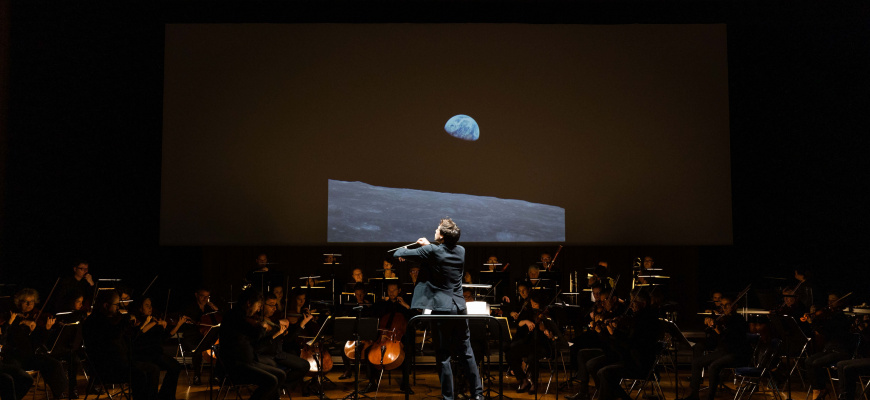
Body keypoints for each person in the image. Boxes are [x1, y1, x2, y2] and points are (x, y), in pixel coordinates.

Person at [393, 218, 483, 400]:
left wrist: (414, 248)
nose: (435, 230)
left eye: (437, 229)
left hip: (442, 309)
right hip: (459, 307)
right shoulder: (461, 251)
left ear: (441, 236)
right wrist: (428, 246)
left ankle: (448, 398)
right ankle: (478, 395)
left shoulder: (431, 250)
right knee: (467, 352)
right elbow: (439, 256)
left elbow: (397, 253)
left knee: (443, 356)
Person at [82, 290, 160, 400]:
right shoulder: (94, 322)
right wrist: (124, 321)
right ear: (106, 305)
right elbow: (112, 336)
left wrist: (135, 328)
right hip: (107, 368)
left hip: (120, 363)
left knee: (154, 369)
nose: (119, 308)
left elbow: (127, 339)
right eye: (117, 305)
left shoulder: (110, 319)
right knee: (141, 374)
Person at [678, 295, 752, 400]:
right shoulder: (724, 319)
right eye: (722, 305)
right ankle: (693, 395)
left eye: (727, 305)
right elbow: (717, 339)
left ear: (735, 306)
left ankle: (710, 397)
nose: (724, 308)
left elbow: (730, 340)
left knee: (713, 366)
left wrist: (718, 330)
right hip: (724, 351)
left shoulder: (739, 320)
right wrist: (712, 326)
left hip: (736, 353)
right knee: (696, 362)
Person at [218, 289, 286, 400]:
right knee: (271, 381)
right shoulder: (234, 317)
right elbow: (255, 335)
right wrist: (262, 326)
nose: (259, 309)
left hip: (248, 361)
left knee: (281, 374)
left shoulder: (242, 316)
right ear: (249, 303)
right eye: (259, 305)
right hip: (237, 366)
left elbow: (254, 339)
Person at [3, 288, 68, 400]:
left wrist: (46, 329)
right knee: (16, 376)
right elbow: (6, 336)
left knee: (54, 364)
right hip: (14, 358)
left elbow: (38, 342)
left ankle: (59, 394)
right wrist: (20, 323)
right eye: (25, 302)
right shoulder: (11, 317)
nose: (29, 305)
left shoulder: (35, 317)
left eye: (32, 302)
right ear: (19, 302)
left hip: (30, 357)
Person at [132, 298, 187, 400]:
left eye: (151, 305)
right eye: (147, 305)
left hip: (156, 353)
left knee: (176, 366)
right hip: (145, 354)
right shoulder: (138, 321)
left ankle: (166, 395)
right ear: (140, 308)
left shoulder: (153, 320)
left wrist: (179, 324)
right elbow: (139, 333)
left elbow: (166, 336)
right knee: (171, 366)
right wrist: (155, 323)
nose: (150, 307)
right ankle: (162, 396)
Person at [254, 293, 309, 392]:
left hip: (278, 354)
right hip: (265, 356)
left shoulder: (274, 319)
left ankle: (279, 386)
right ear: (261, 305)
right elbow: (259, 347)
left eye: (275, 305)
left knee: (304, 365)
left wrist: (302, 324)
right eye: (271, 305)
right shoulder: (257, 322)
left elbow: (288, 340)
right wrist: (276, 330)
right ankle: (275, 386)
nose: (274, 308)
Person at [178, 288, 220, 385]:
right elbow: (184, 323)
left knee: (219, 348)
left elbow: (216, 321)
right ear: (196, 295)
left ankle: (215, 376)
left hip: (206, 336)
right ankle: (197, 376)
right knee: (197, 349)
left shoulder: (209, 308)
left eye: (207, 296)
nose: (205, 299)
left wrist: (216, 310)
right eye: (203, 296)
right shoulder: (189, 307)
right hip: (192, 336)